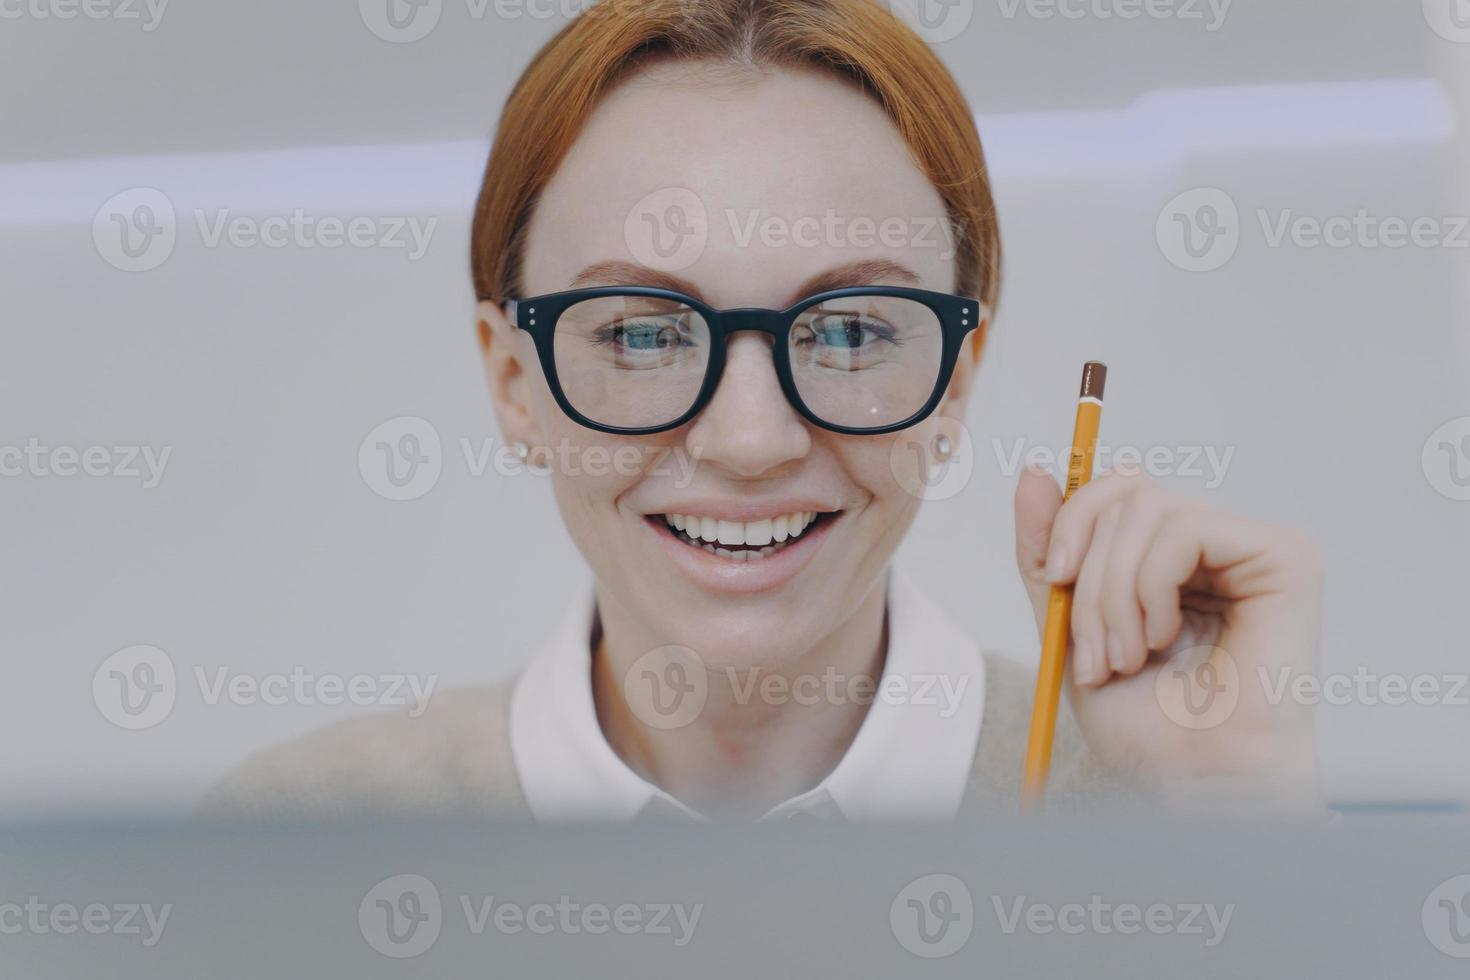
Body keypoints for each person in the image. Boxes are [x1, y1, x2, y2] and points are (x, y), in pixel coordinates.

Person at [201, 0, 1324, 822]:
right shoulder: (293, 838)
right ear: (512, 381)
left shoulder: (1152, 810)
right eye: (641, 332)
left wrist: (1237, 842)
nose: (749, 441)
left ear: (959, 379)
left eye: (849, 330)